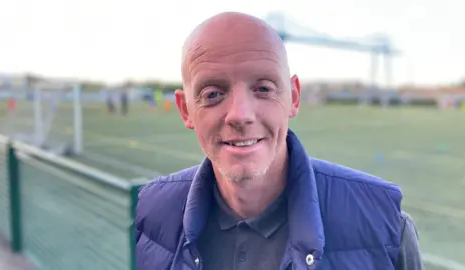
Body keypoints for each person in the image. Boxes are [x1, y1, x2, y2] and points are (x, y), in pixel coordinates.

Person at [135, 12, 423, 270]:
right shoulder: (152, 216)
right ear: (186, 110)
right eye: (213, 94)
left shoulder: (385, 228)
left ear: (293, 98)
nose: (241, 115)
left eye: (263, 88)